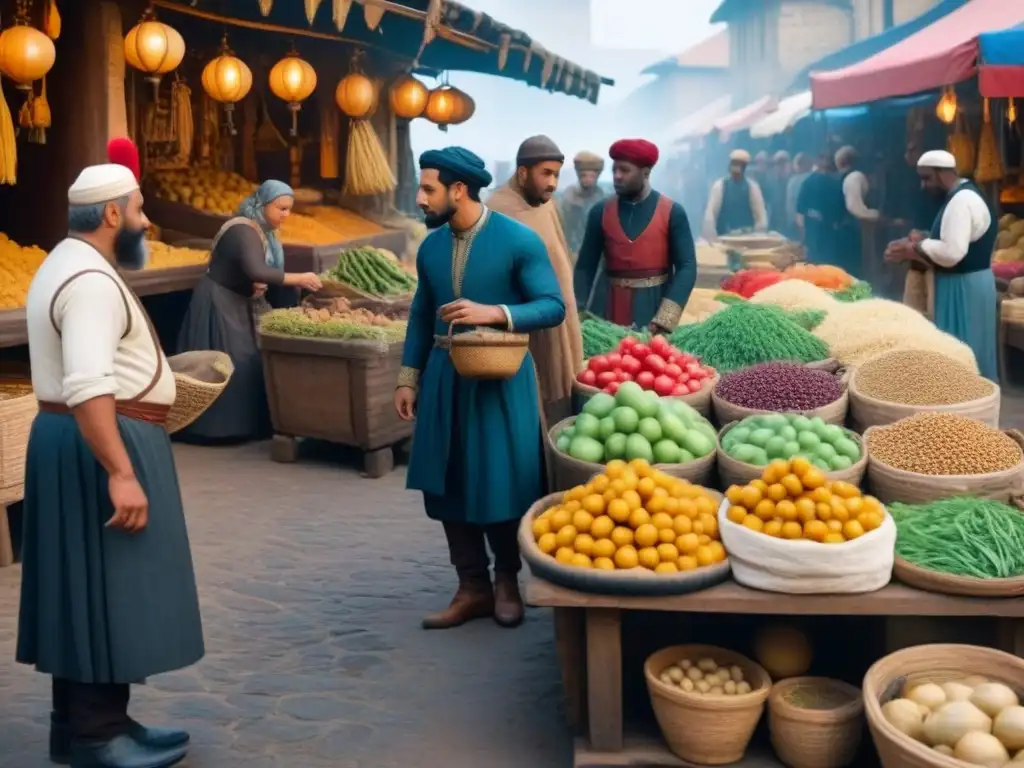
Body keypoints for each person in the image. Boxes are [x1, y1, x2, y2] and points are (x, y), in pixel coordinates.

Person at [19, 162, 203, 768]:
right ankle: (97, 736)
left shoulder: (67, 262)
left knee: (86, 589)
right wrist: (121, 471)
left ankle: (90, 726)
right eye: (140, 207)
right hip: (97, 441)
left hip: (78, 440)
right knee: (107, 587)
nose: (148, 220)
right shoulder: (91, 282)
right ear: (113, 214)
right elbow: (90, 382)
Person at [395, 146, 566, 630]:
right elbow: (420, 313)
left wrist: (496, 313)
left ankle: (507, 581)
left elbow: (552, 305)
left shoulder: (517, 240)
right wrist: (409, 377)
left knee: (500, 477)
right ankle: (471, 587)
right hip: (445, 376)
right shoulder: (430, 247)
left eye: (428, 188)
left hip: (501, 377)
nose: (420, 198)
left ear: (458, 190)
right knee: (447, 477)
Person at [175, 180, 321, 443]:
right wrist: (299, 278)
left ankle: (248, 426)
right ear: (263, 205)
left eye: (289, 210)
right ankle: (216, 430)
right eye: (281, 209)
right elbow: (257, 269)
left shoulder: (262, 231)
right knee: (229, 362)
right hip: (220, 301)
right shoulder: (243, 230)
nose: (285, 215)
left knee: (247, 361)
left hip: (240, 299)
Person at [487, 135, 583, 424]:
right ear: (522, 172)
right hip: (524, 323)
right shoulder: (497, 210)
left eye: (556, 174)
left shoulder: (546, 202)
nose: (552, 182)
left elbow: (560, 252)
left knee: (560, 396)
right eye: (546, 173)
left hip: (559, 313)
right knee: (530, 401)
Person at [884, 149, 999, 381]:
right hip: (969, 282)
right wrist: (923, 238)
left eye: (927, 178)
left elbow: (952, 252)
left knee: (962, 348)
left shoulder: (961, 201)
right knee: (967, 346)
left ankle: (966, 396)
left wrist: (915, 248)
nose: (923, 185)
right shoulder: (963, 196)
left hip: (962, 286)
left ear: (943, 174)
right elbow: (956, 240)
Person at [574, 139, 698, 331]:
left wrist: (665, 319)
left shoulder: (673, 212)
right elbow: (585, 266)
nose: (617, 176)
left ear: (646, 172)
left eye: (624, 170)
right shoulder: (600, 212)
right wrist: (578, 310)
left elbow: (686, 267)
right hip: (605, 309)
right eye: (614, 170)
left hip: (652, 308)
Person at [701, 149, 768, 242]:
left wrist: (759, 236)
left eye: (739, 164)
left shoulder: (752, 187)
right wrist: (712, 236)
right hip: (723, 239)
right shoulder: (719, 186)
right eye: (734, 164)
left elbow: (760, 215)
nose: (736, 168)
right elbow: (711, 213)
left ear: (744, 167)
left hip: (747, 240)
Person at [835, 145, 880, 279]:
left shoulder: (847, 176)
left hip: (849, 229)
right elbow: (855, 208)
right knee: (855, 269)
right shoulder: (855, 177)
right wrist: (877, 215)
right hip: (852, 229)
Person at [796, 151, 844, 265]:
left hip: (814, 233)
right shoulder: (836, 182)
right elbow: (839, 211)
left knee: (814, 265)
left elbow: (799, 212)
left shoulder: (808, 182)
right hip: (828, 234)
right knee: (827, 265)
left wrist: (802, 236)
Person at [560, 150, 606, 258]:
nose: (588, 179)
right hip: (572, 249)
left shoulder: (602, 198)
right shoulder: (568, 197)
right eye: (584, 175)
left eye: (592, 176)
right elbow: (565, 227)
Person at [785, 152, 813, 238]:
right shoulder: (815, 178)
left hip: (796, 223)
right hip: (813, 223)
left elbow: (791, 203)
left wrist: (791, 221)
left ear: (798, 165)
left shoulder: (793, 181)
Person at [766, 150, 791, 233]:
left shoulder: (791, 179)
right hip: (774, 217)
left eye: (783, 162)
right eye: (778, 163)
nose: (781, 165)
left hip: (788, 218)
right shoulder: (770, 179)